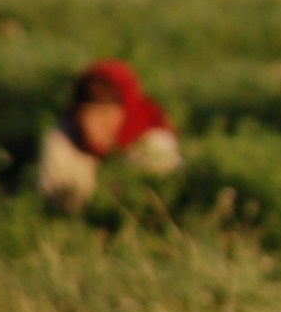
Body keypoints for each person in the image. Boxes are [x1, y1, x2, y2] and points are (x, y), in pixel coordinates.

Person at [37, 59, 181, 213]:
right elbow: (53, 204)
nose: (92, 126)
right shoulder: (66, 138)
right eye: (87, 114)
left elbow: (159, 204)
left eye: (104, 115)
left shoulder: (153, 143)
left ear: (126, 113)